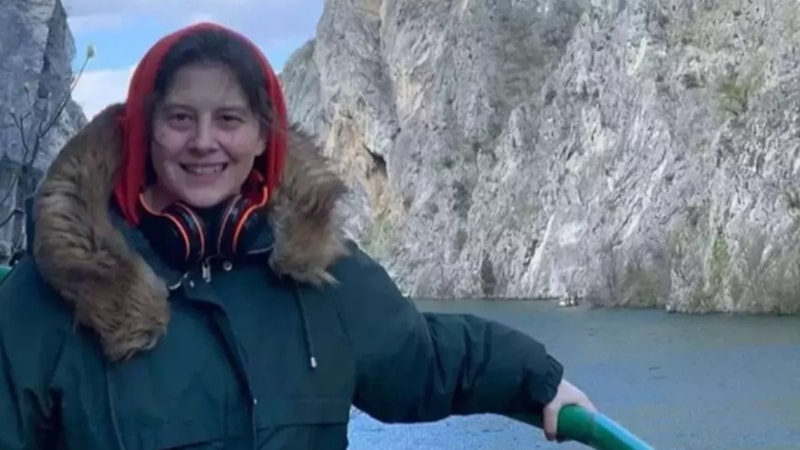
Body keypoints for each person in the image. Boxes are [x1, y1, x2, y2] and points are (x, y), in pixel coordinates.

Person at [0, 22, 597, 449]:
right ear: (144, 131)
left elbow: (423, 356)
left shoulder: (318, 274)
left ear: (263, 136)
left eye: (229, 119)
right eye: (180, 118)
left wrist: (539, 382)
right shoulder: (55, 292)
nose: (204, 141)